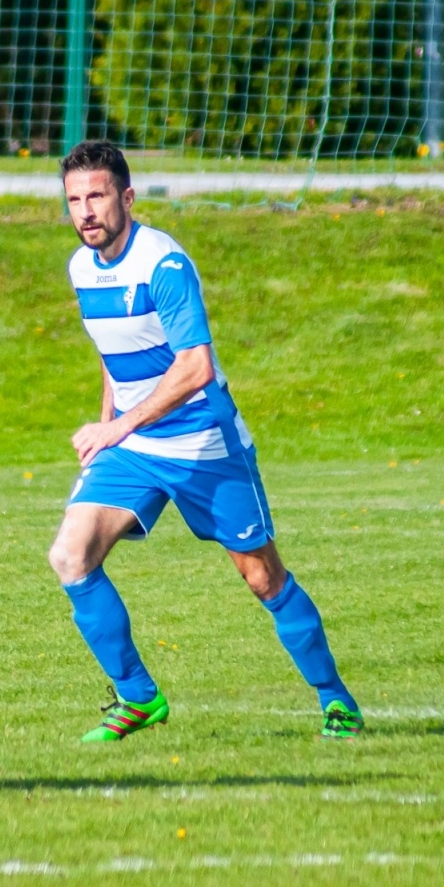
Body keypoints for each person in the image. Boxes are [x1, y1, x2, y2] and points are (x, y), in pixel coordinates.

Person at [47, 140, 362, 742]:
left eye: (98, 196)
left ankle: (336, 700)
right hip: (135, 447)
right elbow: (115, 358)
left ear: (128, 198)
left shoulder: (164, 265)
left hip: (202, 442)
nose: (86, 211)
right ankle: (138, 697)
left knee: (262, 577)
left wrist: (116, 427)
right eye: (74, 200)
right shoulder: (80, 268)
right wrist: (108, 430)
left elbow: (195, 366)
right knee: (70, 556)